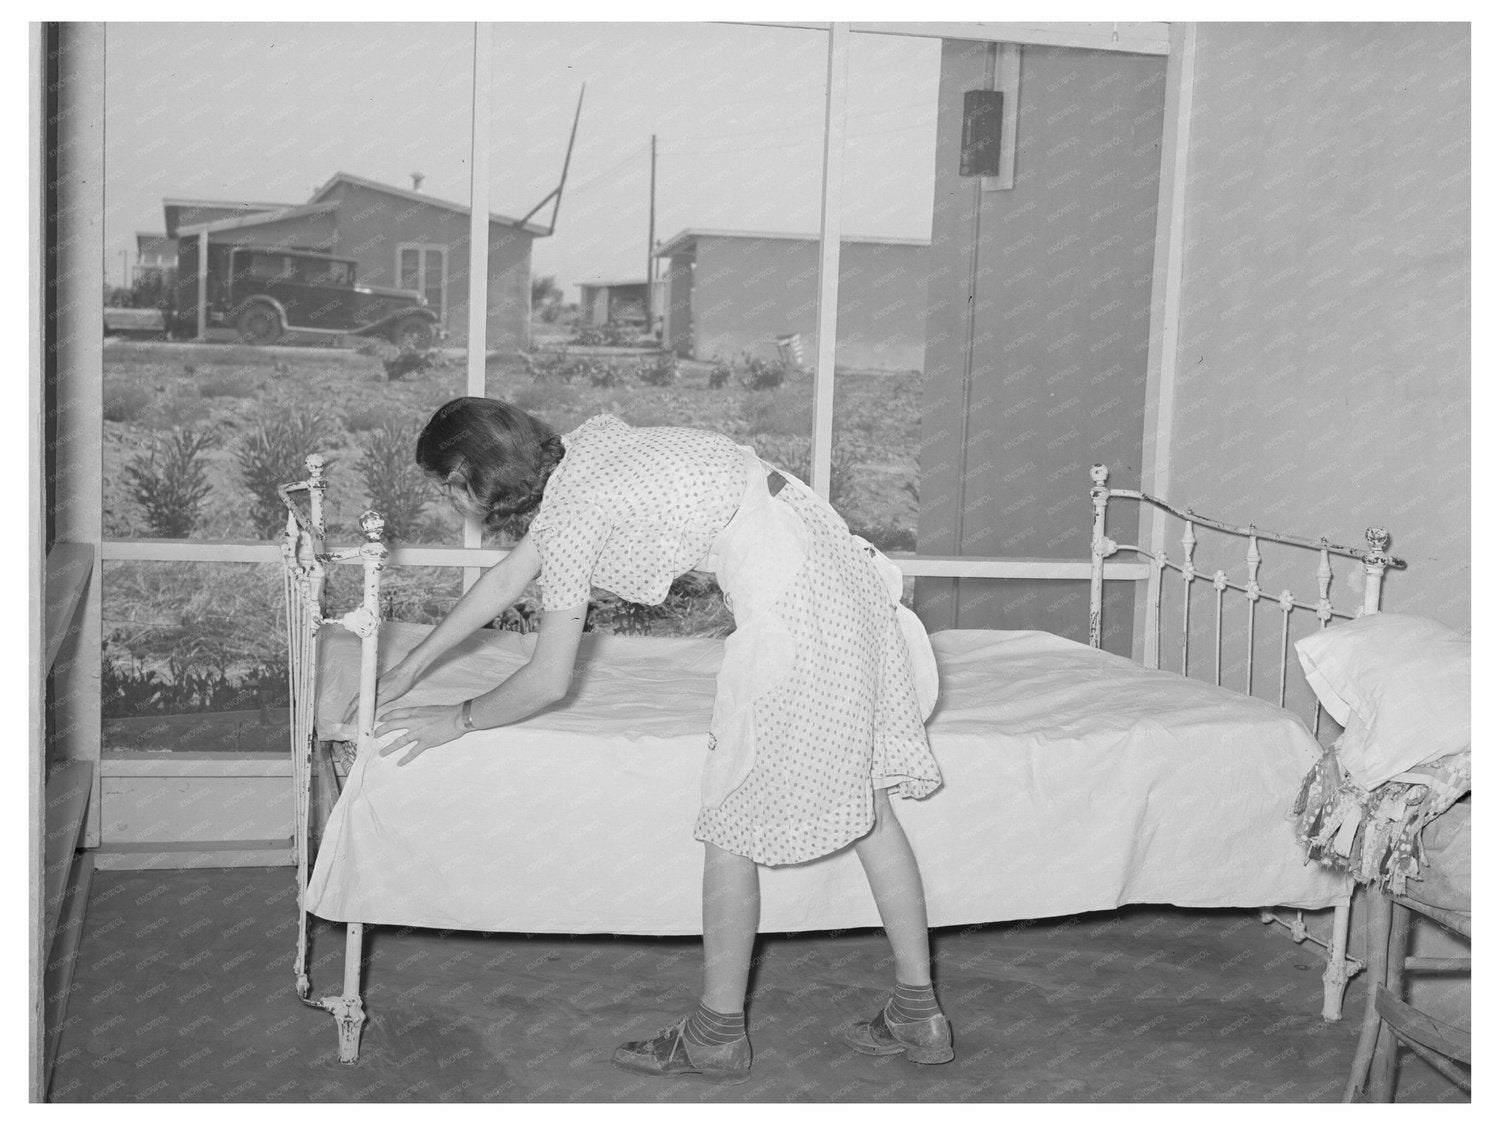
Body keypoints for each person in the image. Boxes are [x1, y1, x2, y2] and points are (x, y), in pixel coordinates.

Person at [366, 397, 951, 1082]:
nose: (449, 497)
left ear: (473, 474)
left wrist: (458, 717)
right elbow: (506, 578)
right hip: (840, 574)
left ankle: (715, 1034)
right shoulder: (584, 453)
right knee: (871, 806)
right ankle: (919, 1010)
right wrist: (410, 664)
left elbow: (548, 677)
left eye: (447, 482)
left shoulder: (576, 506)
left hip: (798, 602)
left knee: (731, 821)